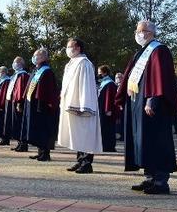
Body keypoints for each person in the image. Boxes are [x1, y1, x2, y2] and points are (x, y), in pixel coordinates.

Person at [116, 20, 177, 195]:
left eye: (141, 31)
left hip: (153, 106)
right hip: (137, 104)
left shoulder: (159, 50)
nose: (138, 34)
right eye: (137, 31)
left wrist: (152, 99)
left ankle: (160, 182)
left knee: (156, 141)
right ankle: (150, 177)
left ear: (151, 32)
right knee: (144, 142)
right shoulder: (141, 52)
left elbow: (161, 78)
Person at [59, 39, 102, 174]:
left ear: (77, 48)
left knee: (85, 133)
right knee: (77, 134)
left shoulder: (84, 64)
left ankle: (87, 163)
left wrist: (84, 105)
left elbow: (85, 85)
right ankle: (80, 160)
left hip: (82, 105)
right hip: (71, 104)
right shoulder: (71, 64)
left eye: (69, 47)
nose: (67, 49)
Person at [24, 48, 59, 161]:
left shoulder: (47, 71)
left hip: (43, 105)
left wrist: (46, 103)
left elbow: (49, 90)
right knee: (38, 129)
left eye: (36, 56)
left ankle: (45, 154)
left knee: (44, 129)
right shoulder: (37, 70)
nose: (34, 58)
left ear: (43, 57)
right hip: (35, 104)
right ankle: (40, 152)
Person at [98, 65, 118, 152]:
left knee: (108, 128)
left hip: (107, 110)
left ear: (105, 72)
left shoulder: (110, 83)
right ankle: (104, 145)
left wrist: (108, 109)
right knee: (104, 128)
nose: (98, 74)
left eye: (100, 72)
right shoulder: (103, 82)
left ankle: (109, 146)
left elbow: (109, 98)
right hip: (102, 109)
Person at [114, 71, 124, 141]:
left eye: (119, 77)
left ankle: (121, 135)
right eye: (117, 77)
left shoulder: (123, 86)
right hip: (116, 107)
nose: (118, 79)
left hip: (121, 107)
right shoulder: (114, 86)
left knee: (121, 122)